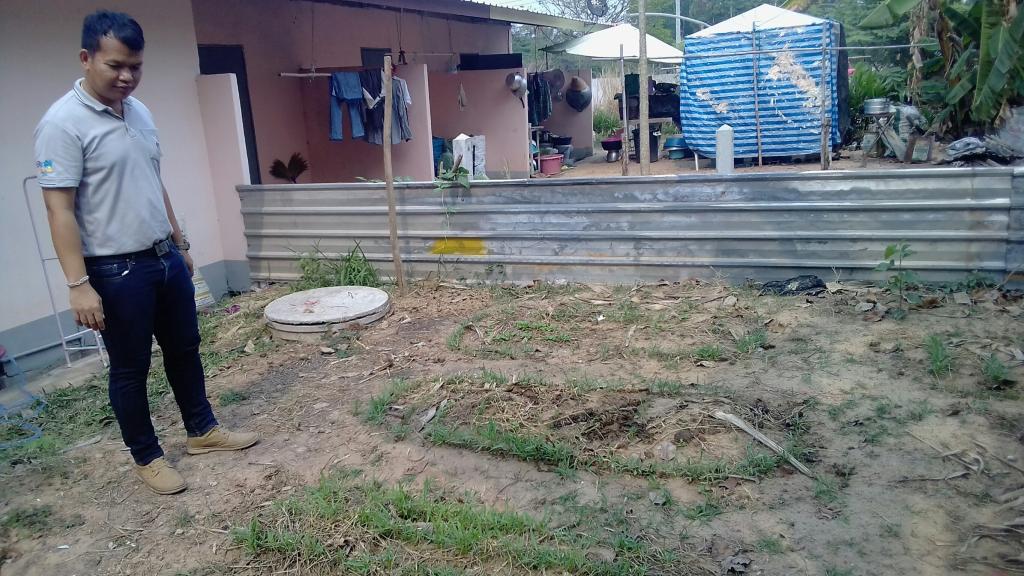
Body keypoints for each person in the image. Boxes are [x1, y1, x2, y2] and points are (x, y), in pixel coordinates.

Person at [34, 10, 258, 495]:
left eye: (135, 67)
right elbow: (59, 210)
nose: (126, 77)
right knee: (131, 367)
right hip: (115, 270)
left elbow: (154, 182)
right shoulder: (62, 124)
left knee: (185, 349)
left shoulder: (138, 111)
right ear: (86, 58)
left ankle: (202, 431)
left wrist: (179, 243)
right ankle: (147, 456)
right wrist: (78, 285)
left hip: (163, 259)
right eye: (115, 65)